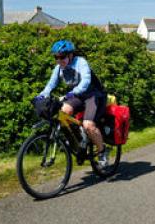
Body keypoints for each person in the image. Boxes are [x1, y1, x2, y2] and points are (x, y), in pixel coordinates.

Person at [34, 40, 110, 168]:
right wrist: (41, 96)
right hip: (78, 96)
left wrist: (72, 93)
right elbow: (50, 85)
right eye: (56, 57)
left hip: (94, 95)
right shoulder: (59, 68)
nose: (59, 60)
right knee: (62, 113)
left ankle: (102, 151)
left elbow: (85, 82)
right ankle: (78, 142)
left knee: (88, 125)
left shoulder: (81, 62)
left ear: (70, 55)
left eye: (62, 57)